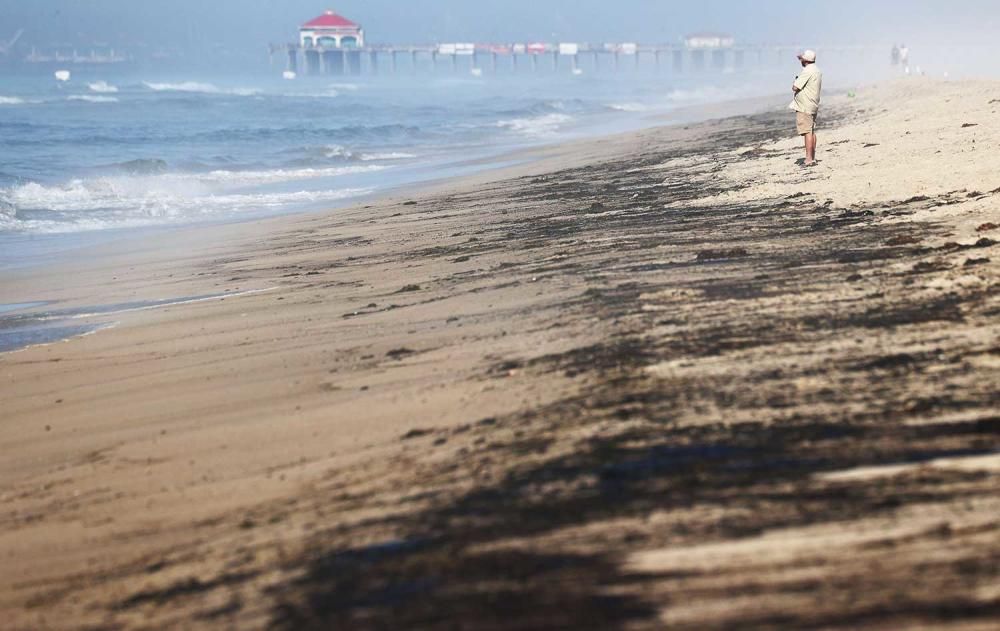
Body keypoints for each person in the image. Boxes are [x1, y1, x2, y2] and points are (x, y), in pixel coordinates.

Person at [790, 49, 823, 167]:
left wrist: (795, 80)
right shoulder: (817, 70)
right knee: (812, 131)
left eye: (801, 59)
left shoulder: (807, 71)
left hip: (805, 105)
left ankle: (809, 159)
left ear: (805, 60)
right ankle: (812, 157)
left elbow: (795, 87)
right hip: (813, 103)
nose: (800, 60)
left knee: (807, 132)